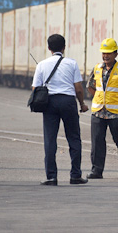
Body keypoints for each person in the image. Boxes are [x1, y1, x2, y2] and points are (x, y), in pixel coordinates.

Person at [32, 34, 89, 186]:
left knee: (50, 140)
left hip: (49, 103)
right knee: (74, 138)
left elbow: (35, 88)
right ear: (64, 47)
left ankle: (51, 176)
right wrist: (82, 104)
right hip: (68, 102)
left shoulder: (42, 65)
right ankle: (75, 175)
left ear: (49, 48)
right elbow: (78, 88)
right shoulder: (72, 63)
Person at [86, 38, 118, 179]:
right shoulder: (97, 68)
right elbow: (90, 86)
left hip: (115, 113)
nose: (105, 56)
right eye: (104, 53)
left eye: (109, 53)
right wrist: (99, 98)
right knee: (97, 141)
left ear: (115, 54)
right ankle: (96, 170)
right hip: (98, 111)